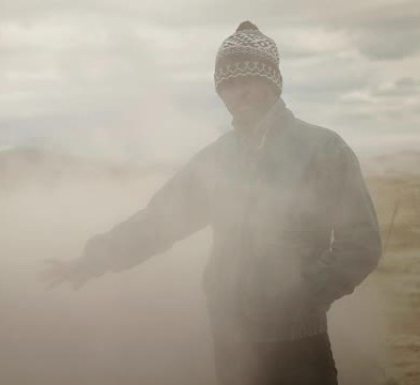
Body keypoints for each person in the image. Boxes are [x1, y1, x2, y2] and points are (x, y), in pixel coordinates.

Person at [42, 20, 382, 385]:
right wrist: (92, 260)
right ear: (220, 91)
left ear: (272, 83)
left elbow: (361, 243)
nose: (241, 92)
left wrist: (305, 295)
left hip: (298, 340)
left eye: (250, 79)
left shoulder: (323, 149)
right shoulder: (215, 160)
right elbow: (159, 221)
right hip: (232, 342)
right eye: (230, 83)